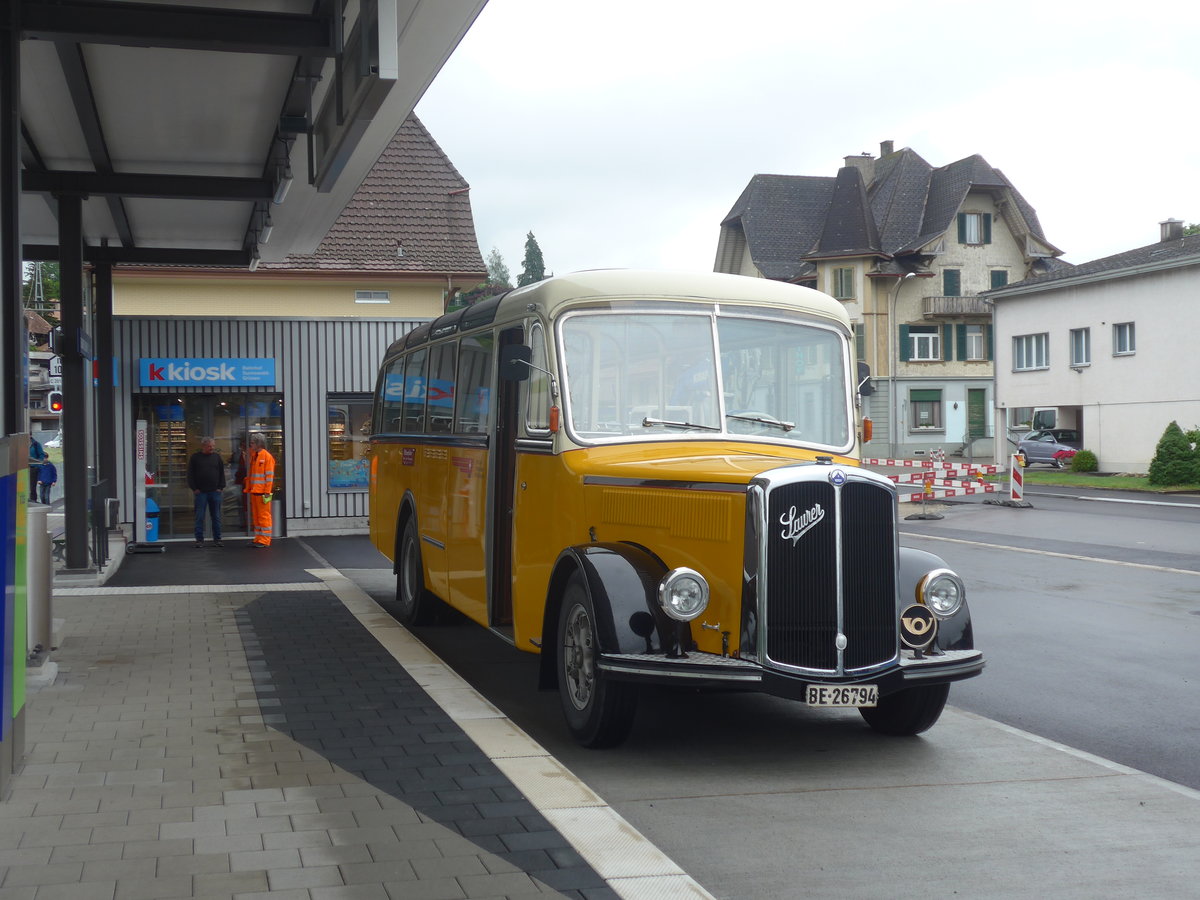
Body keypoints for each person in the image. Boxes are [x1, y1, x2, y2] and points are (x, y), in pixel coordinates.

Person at [187, 436, 225, 547]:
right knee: (199, 517)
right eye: (209, 446)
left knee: (216, 516)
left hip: (215, 492)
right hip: (201, 492)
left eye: (213, 446)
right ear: (203, 446)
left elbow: (221, 473)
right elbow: (190, 475)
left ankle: (218, 539)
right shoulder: (195, 458)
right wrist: (194, 488)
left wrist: (220, 487)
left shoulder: (217, 458)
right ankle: (199, 540)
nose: (212, 448)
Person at [244, 432, 276, 548]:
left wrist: (267, 492)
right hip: (255, 491)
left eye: (252, 443)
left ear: (258, 443)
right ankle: (258, 538)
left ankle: (265, 539)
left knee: (264, 516)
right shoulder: (254, 456)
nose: (250, 445)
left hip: (263, 492)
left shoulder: (267, 457)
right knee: (257, 517)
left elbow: (269, 477)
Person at [29, 437, 47, 502]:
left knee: (32, 486)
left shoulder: (36, 444)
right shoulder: (21, 444)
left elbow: (41, 455)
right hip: (23, 468)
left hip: (33, 468)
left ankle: (33, 500)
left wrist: (37, 464)